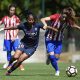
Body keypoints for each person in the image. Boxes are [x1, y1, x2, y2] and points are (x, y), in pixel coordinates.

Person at [3, 9, 58, 75]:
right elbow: (14, 27)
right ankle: (9, 63)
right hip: (23, 43)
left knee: (20, 59)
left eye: (32, 20)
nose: (31, 21)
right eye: (29, 20)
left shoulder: (37, 25)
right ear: (27, 19)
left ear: (34, 20)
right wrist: (4, 28)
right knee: (15, 57)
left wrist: (53, 29)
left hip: (32, 47)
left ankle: (9, 71)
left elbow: (46, 27)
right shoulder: (23, 25)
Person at [41, 7, 80, 76]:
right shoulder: (55, 16)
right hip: (49, 39)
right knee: (53, 57)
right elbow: (43, 19)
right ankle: (57, 71)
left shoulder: (67, 21)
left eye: (65, 17)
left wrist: (78, 27)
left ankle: (49, 57)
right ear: (61, 14)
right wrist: (45, 24)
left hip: (58, 40)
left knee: (56, 58)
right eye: (63, 16)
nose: (63, 18)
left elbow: (73, 25)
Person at [0, 4, 24, 70]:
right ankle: (10, 65)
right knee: (8, 51)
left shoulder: (16, 18)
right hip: (7, 38)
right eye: (11, 10)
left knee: (18, 51)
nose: (12, 11)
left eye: (13, 10)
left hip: (15, 37)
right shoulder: (4, 18)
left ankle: (20, 64)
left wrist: (14, 36)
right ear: (9, 10)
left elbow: (18, 28)